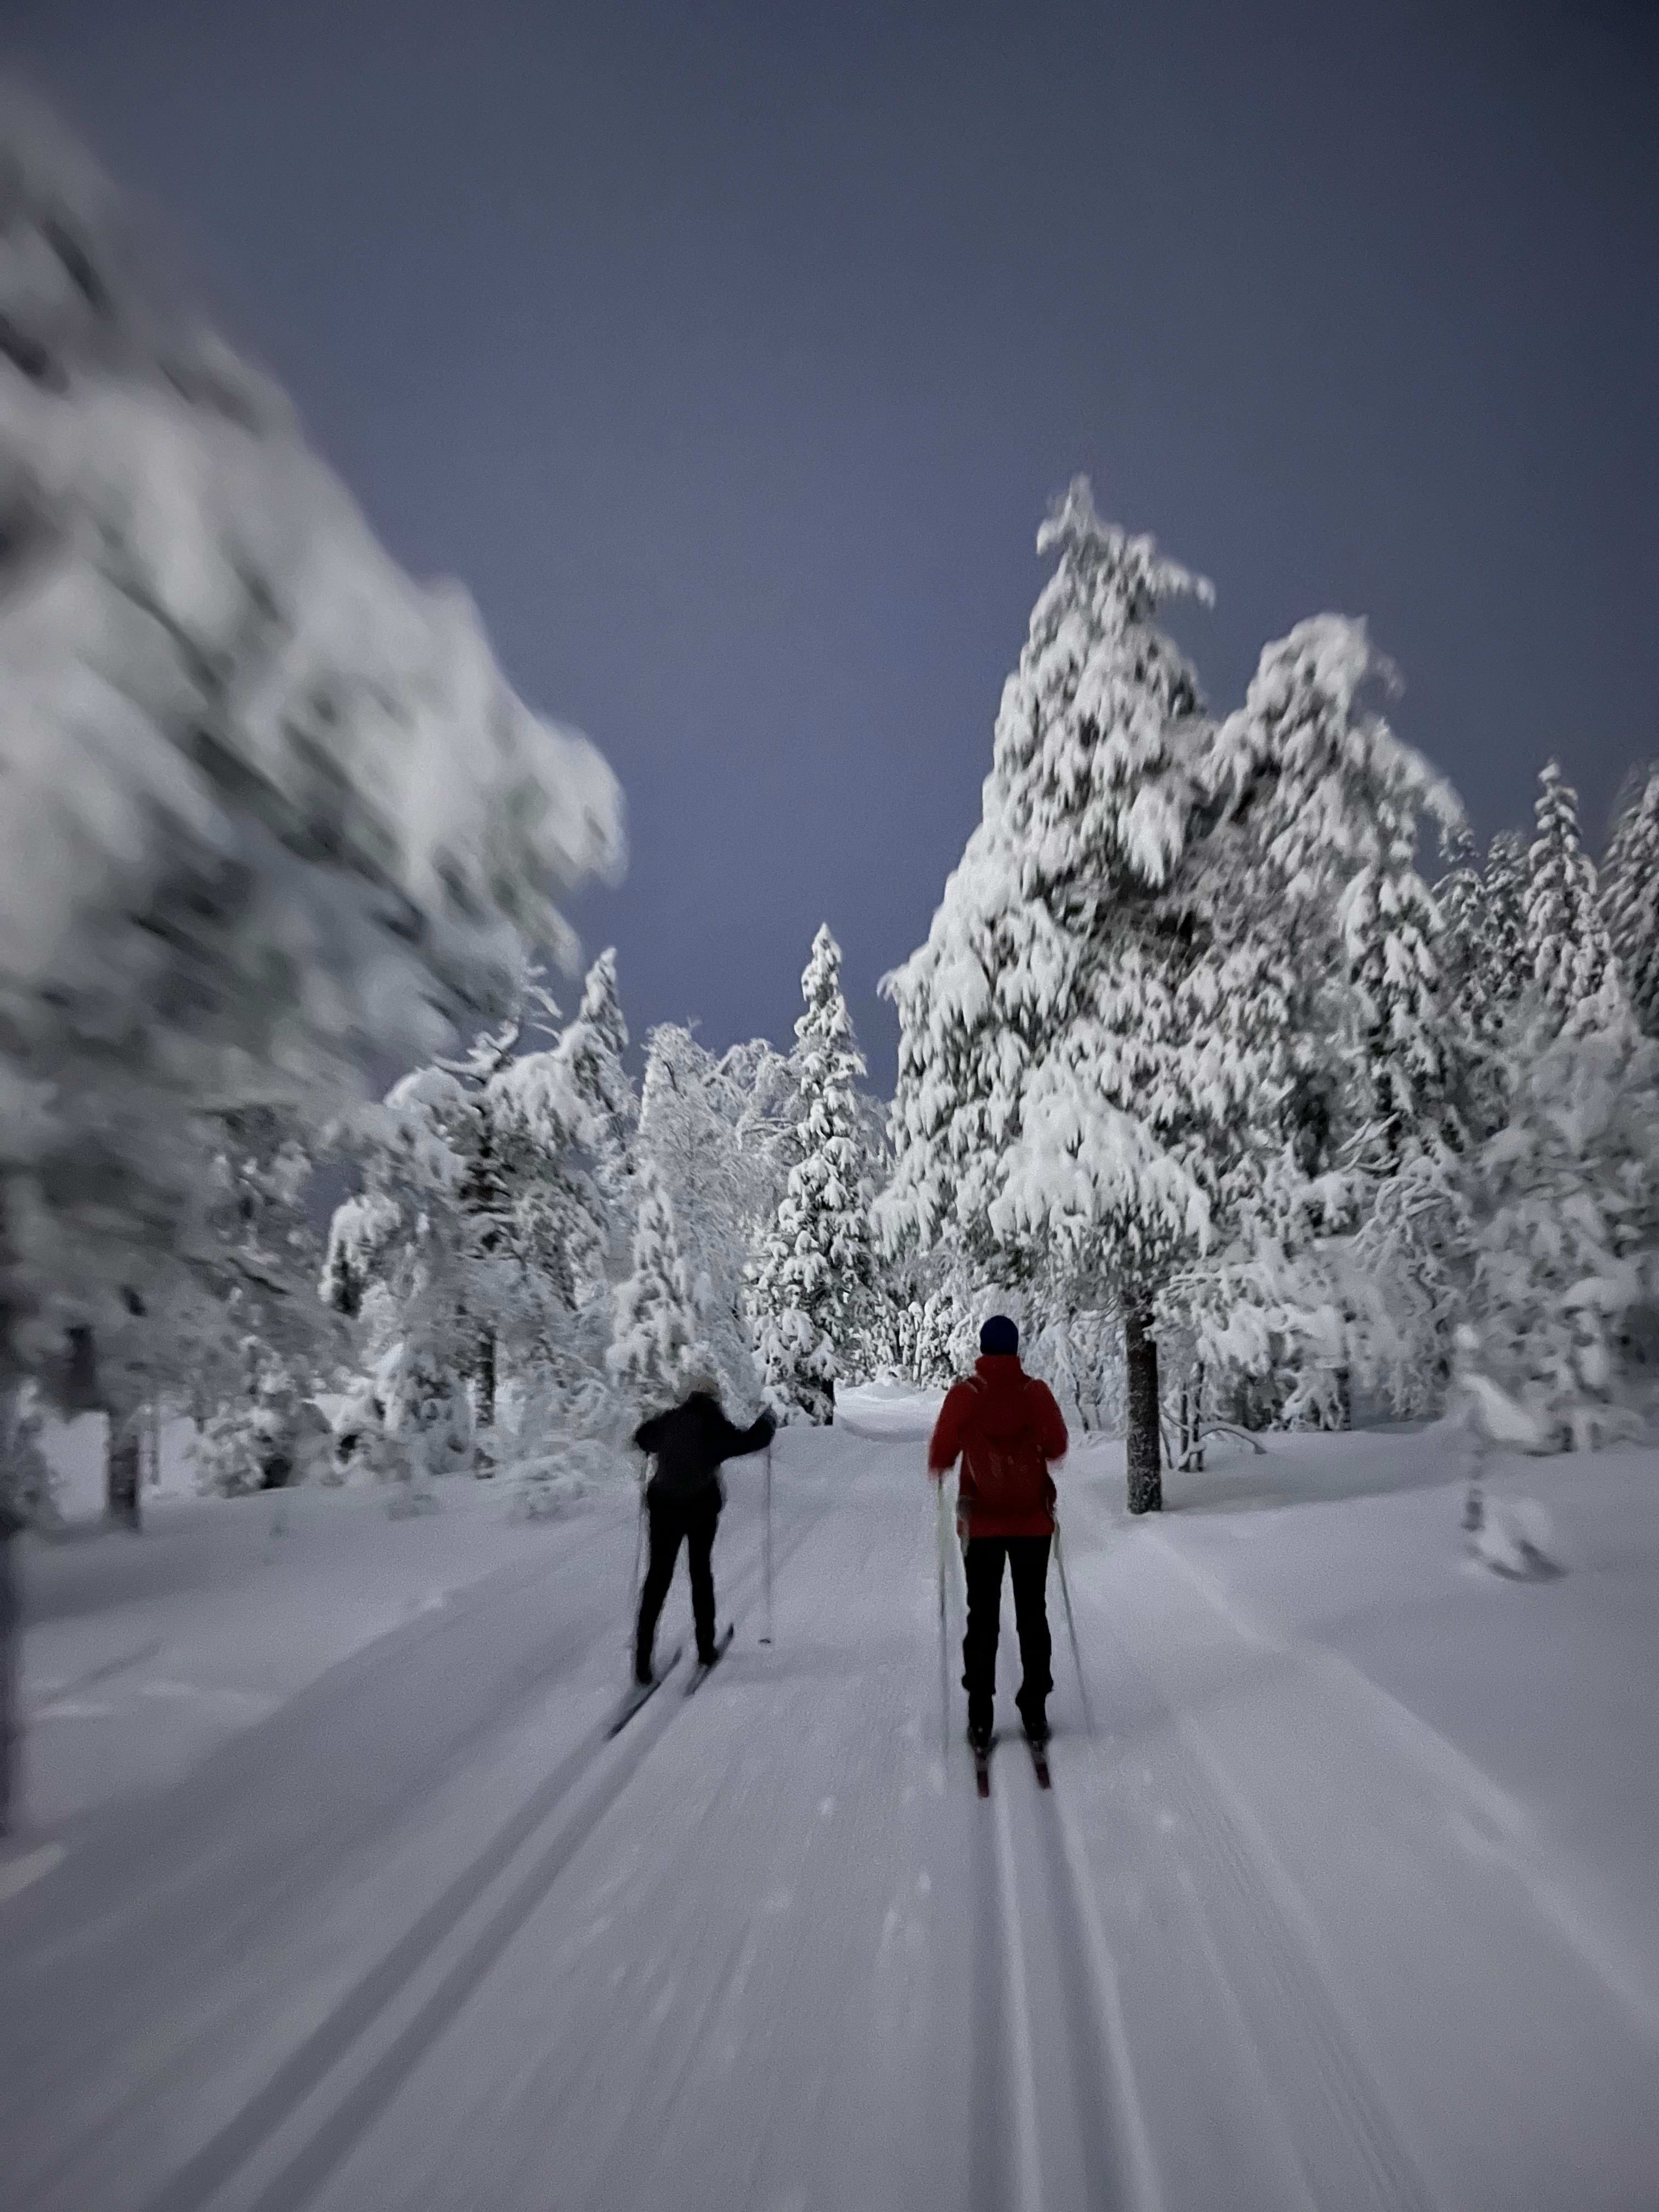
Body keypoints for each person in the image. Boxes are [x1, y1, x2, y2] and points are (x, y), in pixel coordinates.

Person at [927, 1315, 1068, 1754]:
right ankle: (1034, 1710)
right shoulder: (1035, 1393)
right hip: (1032, 1524)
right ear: (1016, 1348)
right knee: (1032, 1613)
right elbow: (1059, 1446)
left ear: (984, 1350)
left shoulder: (966, 1395)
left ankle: (980, 1715)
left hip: (981, 1524)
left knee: (982, 1615)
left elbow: (940, 1456)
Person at [633, 1373, 775, 1684]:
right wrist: (768, 1422)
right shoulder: (714, 1425)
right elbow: (749, 1442)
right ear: (714, 1398)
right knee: (700, 1573)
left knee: (658, 1577)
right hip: (699, 1508)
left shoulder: (671, 1419)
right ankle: (705, 1648)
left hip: (662, 1508)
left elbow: (643, 1438)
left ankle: (642, 1662)